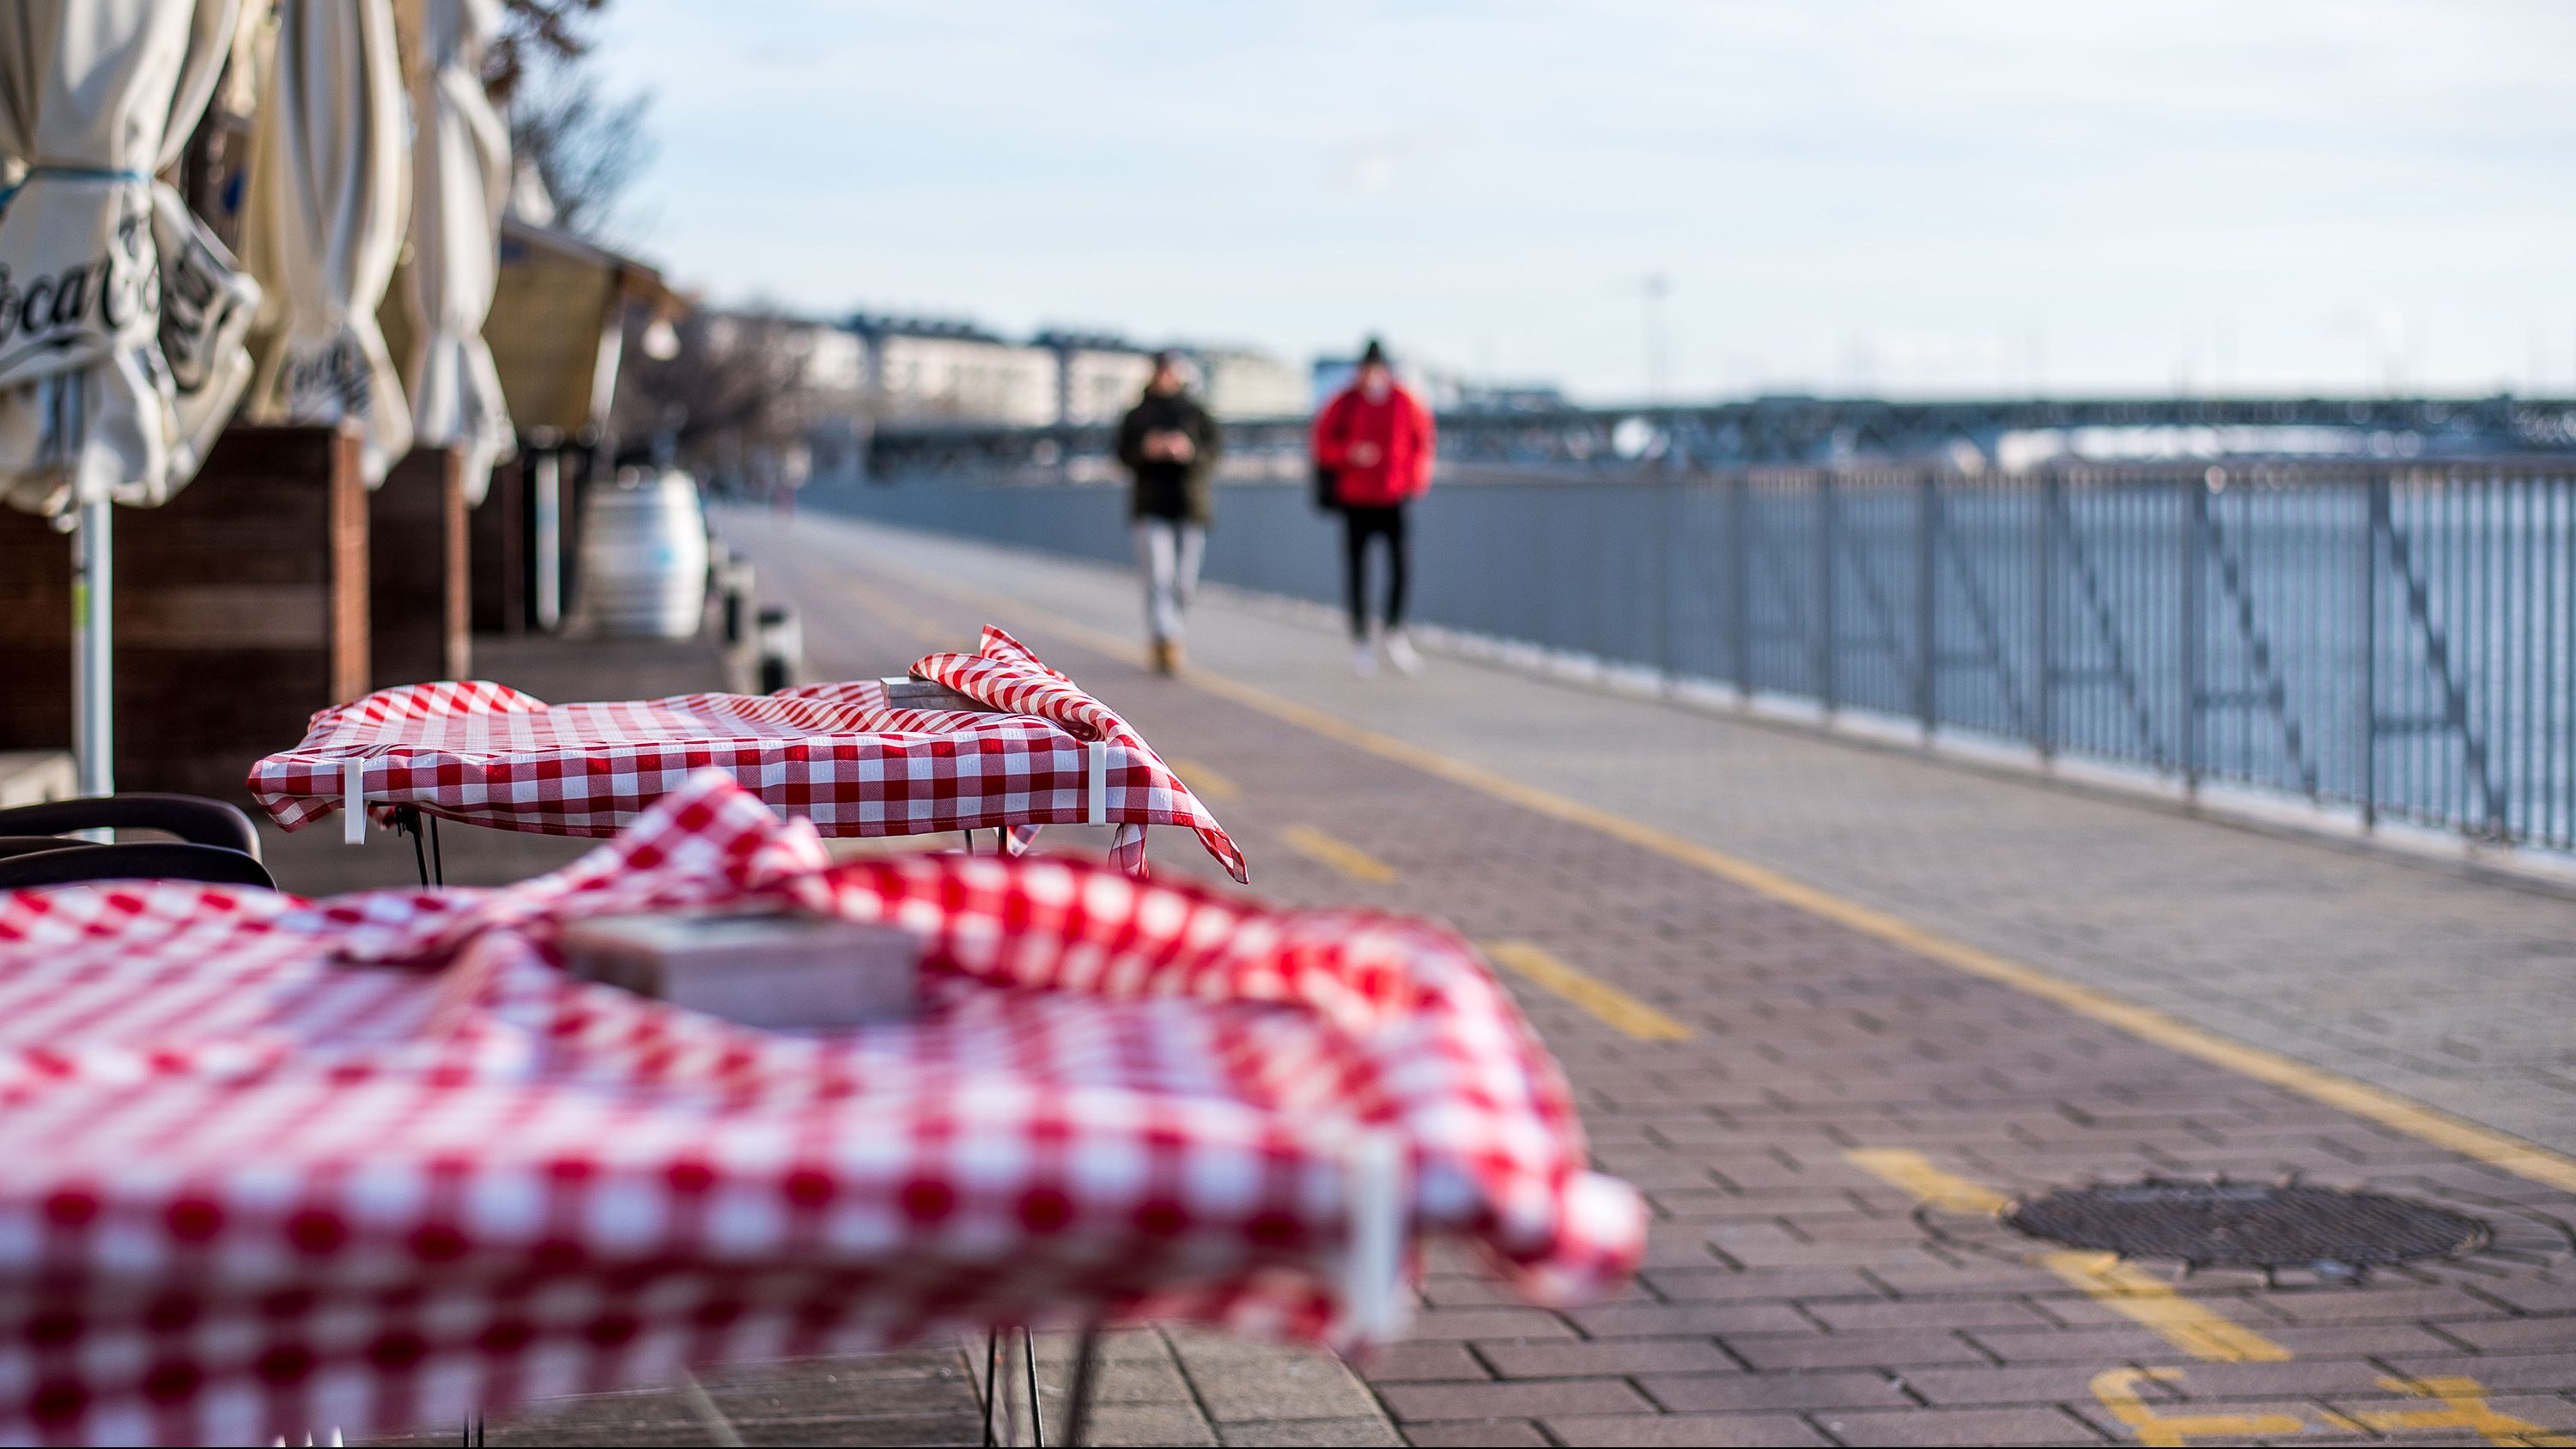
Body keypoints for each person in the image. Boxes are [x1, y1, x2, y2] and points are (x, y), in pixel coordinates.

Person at [1311, 338, 1435, 675]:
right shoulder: (1344, 402)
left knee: (1401, 568)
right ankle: (1361, 640)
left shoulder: (1404, 400)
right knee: (1358, 572)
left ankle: (1394, 633)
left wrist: (1414, 479)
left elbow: (1422, 441)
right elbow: (1322, 444)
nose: (1371, 376)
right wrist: (1350, 453)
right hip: (1356, 499)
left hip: (1394, 497)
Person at [1115, 350, 1224, 675]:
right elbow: (1123, 453)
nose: (1166, 377)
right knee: (1159, 576)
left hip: (1190, 505)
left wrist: (1188, 451)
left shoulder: (1196, 412)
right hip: (1151, 504)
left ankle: (1171, 634)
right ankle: (1166, 639)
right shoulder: (1137, 414)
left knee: (1185, 581)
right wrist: (1147, 450)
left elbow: (1214, 453)